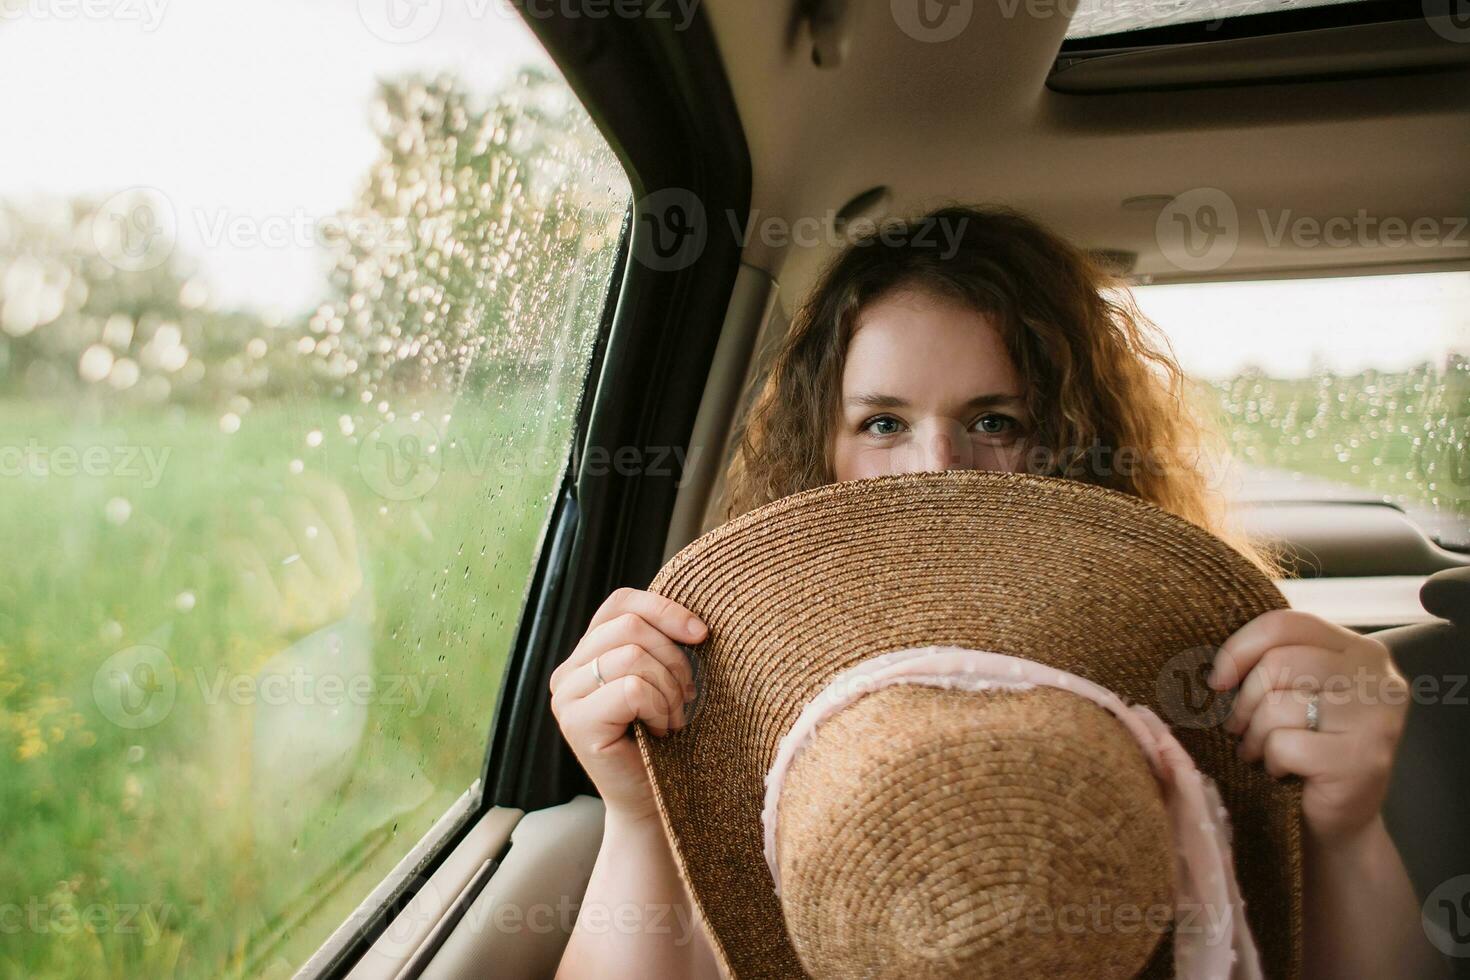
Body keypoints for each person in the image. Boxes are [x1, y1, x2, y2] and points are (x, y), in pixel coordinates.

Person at [549, 206, 1437, 979]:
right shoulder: (739, 708)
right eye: (884, 422)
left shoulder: (1215, 697)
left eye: (994, 421)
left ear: (1072, 443)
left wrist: (1348, 827)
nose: (937, 467)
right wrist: (640, 816)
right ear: (823, 447)